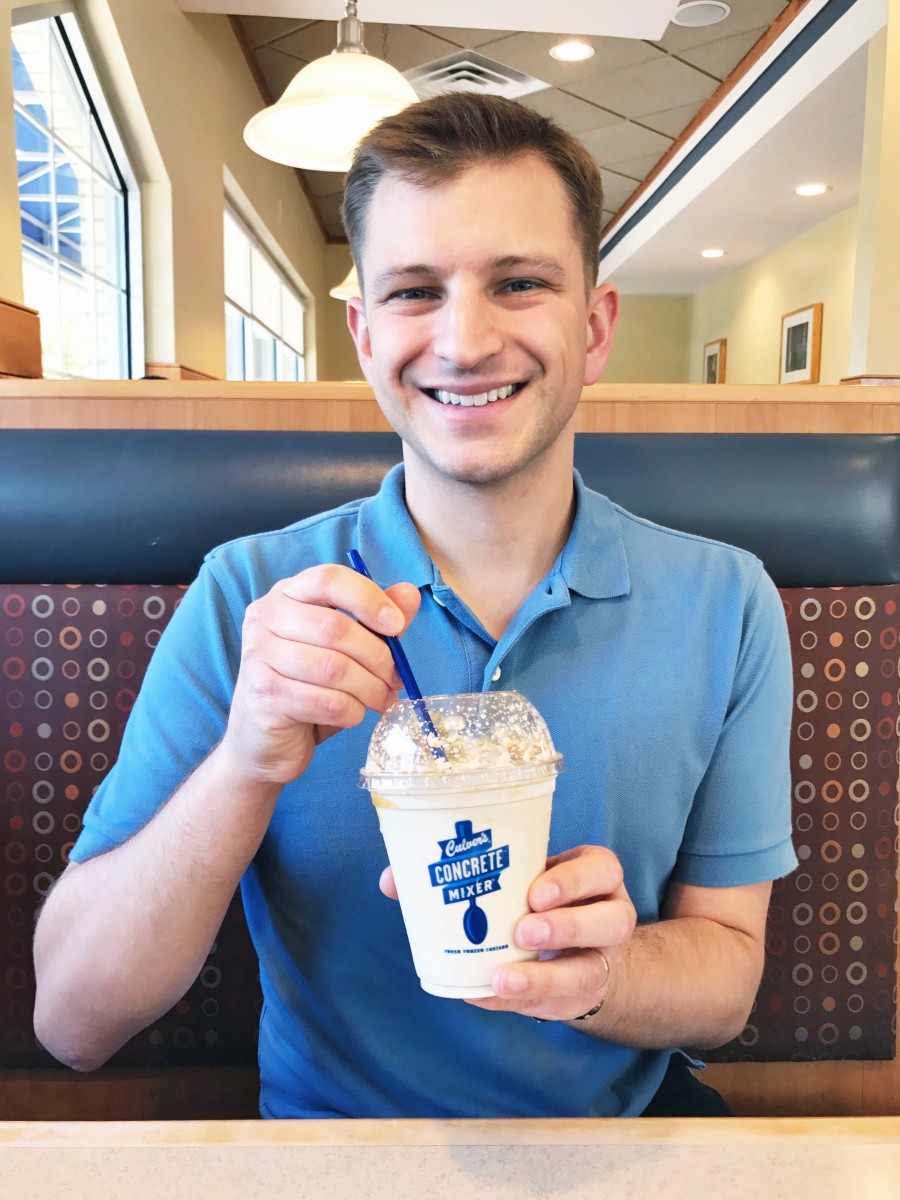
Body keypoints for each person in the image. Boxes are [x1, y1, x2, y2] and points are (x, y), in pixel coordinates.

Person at [32, 93, 796, 1119]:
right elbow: (74, 1023)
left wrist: (599, 978)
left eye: (518, 282)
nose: (465, 340)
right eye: (413, 291)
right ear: (363, 333)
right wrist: (248, 761)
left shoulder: (726, 602)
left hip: (619, 1150)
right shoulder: (253, 598)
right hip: (334, 1157)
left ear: (594, 323)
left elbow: (725, 984)